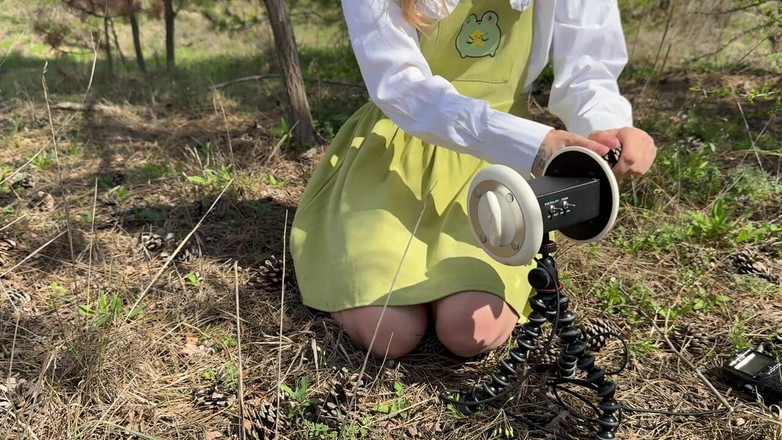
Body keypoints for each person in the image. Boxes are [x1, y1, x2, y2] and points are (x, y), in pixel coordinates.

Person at [290, 0, 656, 360]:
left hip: (498, 164)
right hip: (396, 149)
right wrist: (535, 144)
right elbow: (399, 86)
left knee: (471, 330)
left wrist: (607, 128)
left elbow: (588, 69)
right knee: (389, 332)